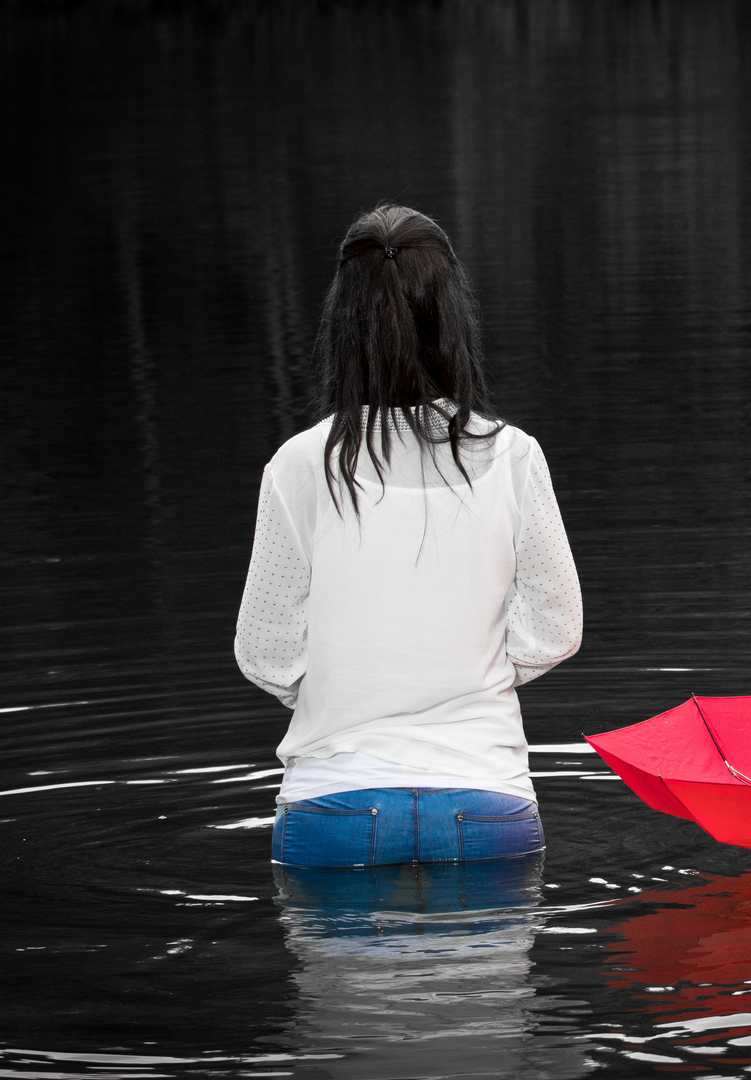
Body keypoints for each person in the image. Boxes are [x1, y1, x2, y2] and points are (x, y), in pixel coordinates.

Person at [234, 204, 582, 868]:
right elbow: (558, 627)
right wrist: (467, 670)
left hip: (332, 810)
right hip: (484, 805)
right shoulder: (513, 458)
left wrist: (353, 680)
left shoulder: (299, 466)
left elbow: (265, 653)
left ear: (343, 321)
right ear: (452, 315)